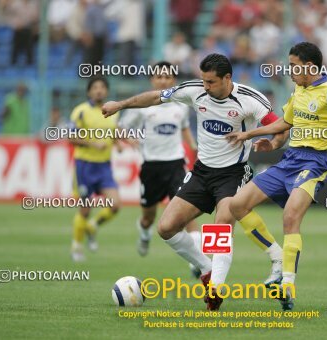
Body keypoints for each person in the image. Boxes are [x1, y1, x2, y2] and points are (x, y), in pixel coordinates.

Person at [101, 53, 281, 310]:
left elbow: (280, 127)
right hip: (201, 172)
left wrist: (273, 142)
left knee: (221, 225)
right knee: (166, 227)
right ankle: (207, 269)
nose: (205, 87)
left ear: (227, 78)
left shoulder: (250, 100)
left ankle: (216, 291)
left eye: (210, 82)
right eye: (203, 81)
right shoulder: (195, 90)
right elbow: (155, 97)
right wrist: (120, 104)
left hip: (233, 173)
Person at [225, 42, 327, 311]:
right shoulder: (299, 89)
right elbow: (285, 123)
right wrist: (253, 135)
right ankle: (277, 257)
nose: (290, 71)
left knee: (290, 216)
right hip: (289, 160)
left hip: (314, 163)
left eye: (294, 66)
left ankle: (288, 284)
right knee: (237, 204)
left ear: (310, 67)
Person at [119, 61, 202, 277]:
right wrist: (131, 140)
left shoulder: (181, 105)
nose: (163, 80)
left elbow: (184, 128)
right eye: (159, 77)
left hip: (176, 165)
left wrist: (193, 146)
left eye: (167, 77)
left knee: (187, 214)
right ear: (152, 80)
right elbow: (122, 129)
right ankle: (145, 235)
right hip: (152, 167)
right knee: (148, 217)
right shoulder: (143, 107)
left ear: (173, 80)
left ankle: (197, 261)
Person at [68, 77, 121, 262]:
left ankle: (92, 226)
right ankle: (76, 246)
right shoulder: (81, 112)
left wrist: (118, 143)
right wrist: (92, 143)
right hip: (85, 166)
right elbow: (71, 137)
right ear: (89, 91)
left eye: (102, 87)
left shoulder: (113, 111)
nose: (99, 91)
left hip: (104, 167)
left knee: (114, 205)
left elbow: (113, 131)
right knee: (85, 208)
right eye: (95, 88)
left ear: (106, 91)